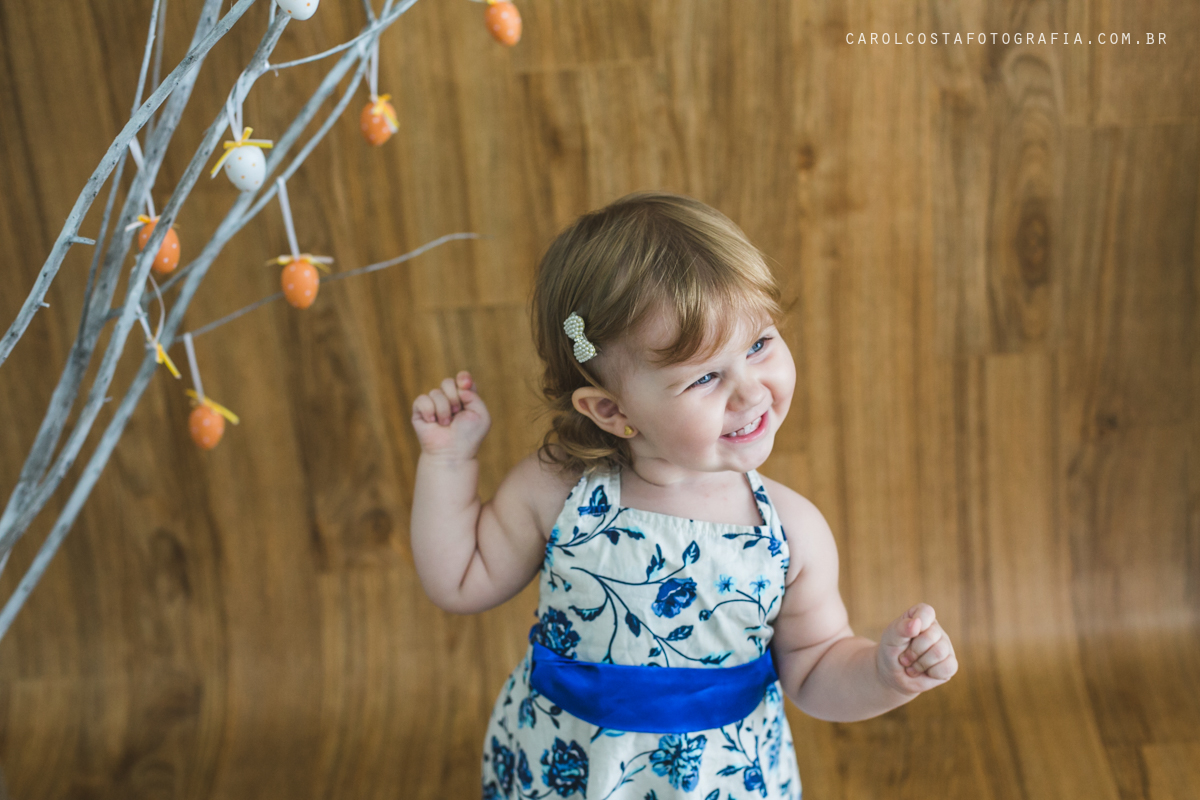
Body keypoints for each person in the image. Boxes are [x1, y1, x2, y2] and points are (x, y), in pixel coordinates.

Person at [409, 191, 958, 799]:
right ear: (613, 410)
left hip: (716, 781)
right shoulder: (560, 489)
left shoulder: (789, 532)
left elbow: (817, 664)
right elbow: (459, 578)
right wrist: (448, 460)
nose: (750, 392)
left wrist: (883, 676)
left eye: (759, 344)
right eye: (704, 377)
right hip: (566, 767)